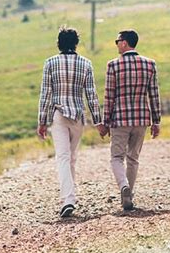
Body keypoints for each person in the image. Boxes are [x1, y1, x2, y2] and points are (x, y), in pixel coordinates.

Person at [37, 26, 106, 218]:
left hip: (59, 115)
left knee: (63, 157)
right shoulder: (86, 64)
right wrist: (98, 121)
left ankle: (68, 199)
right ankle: (70, 198)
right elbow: (91, 95)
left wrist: (42, 121)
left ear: (59, 43)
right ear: (76, 43)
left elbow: (46, 95)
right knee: (72, 157)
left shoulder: (50, 63)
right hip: (78, 116)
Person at [101, 29, 161, 211]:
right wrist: (156, 121)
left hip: (120, 119)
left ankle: (123, 186)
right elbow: (154, 95)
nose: (116, 44)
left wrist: (105, 122)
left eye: (117, 41)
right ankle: (129, 195)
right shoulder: (150, 64)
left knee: (116, 157)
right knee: (133, 158)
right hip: (142, 118)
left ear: (125, 43)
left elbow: (109, 96)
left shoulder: (113, 65)